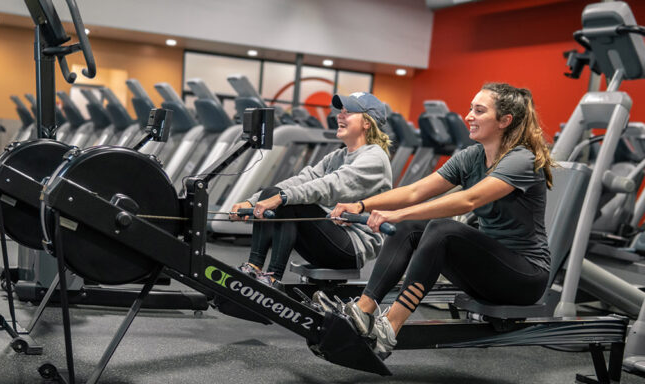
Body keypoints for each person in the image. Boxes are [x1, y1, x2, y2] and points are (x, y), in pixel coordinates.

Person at [321, 82, 554, 358]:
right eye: (470, 109)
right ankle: (363, 310)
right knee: (410, 227)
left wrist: (397, 213)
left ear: (505, 120)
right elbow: (416, 191)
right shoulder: (472, 156)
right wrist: (361, 204)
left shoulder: (521, 159)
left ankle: (389, 329)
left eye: (479, 111)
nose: (469, 116)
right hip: (487, 270)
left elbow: (469, 200)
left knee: (443, 229)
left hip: (524, 277)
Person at [229, 92, 393, 288]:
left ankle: (272, 279)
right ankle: (253, 268)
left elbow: (329, 185)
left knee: (291, 203)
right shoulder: (338, 156)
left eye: (348, 112)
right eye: (340, 111)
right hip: (331, 237)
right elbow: (303, 179)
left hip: (351, 247)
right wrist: (252, 202)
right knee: (273, 192)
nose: (339, 116)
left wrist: (282, 198)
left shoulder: (374, 157)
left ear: (367, 123)